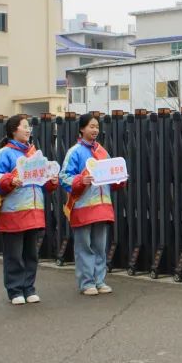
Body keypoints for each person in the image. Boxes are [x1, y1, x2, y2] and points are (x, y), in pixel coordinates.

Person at [0, 115, 59, 305]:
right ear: (13, 130)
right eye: (24, 127)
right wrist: (9, 180)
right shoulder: (4, 153)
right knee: (14, 255)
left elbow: (42, 183)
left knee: (31, 254)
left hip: (34, 211)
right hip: (13, 211)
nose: (28, 130)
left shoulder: (36, 154)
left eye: (29, 127)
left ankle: (29, 287)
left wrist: (52, 181)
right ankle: (15, 290)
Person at [60, 114, 127, 296]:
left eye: (97, 126)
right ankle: (86, 282)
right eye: (91, 126)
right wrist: (82, 180)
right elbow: (64, 177)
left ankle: (99, 280)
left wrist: (120, 179)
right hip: (82, 205)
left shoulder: (103, 152)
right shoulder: (74, 152)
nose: (95, 130)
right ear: (81, 129)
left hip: (102, 206)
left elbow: (111, 178)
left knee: (99, 246)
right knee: (84, 247)